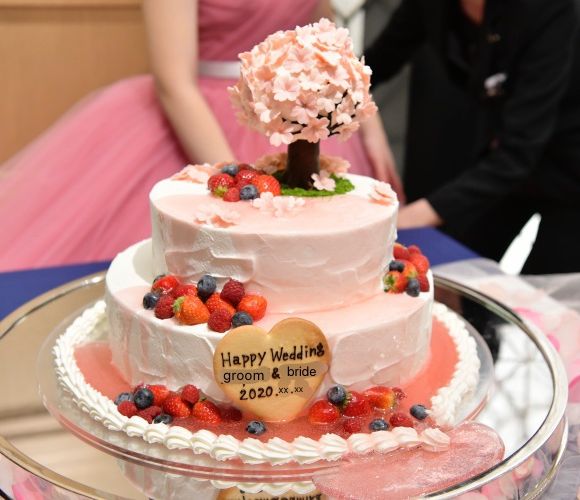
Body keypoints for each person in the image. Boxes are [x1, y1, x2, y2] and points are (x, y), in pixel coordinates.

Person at [0, 0, 400, 271]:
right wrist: (238, 177)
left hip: (294, 116)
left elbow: (323, 40)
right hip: (202, 113)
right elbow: (174, 82)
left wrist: (371, 126)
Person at [365, 0, 580, 274]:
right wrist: (366, 122)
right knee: (455, 271)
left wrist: (404, 219)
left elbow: (518, 153)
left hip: (569, 170)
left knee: (543, 291)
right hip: (503, 161)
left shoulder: (550, 9)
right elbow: (373, 65)